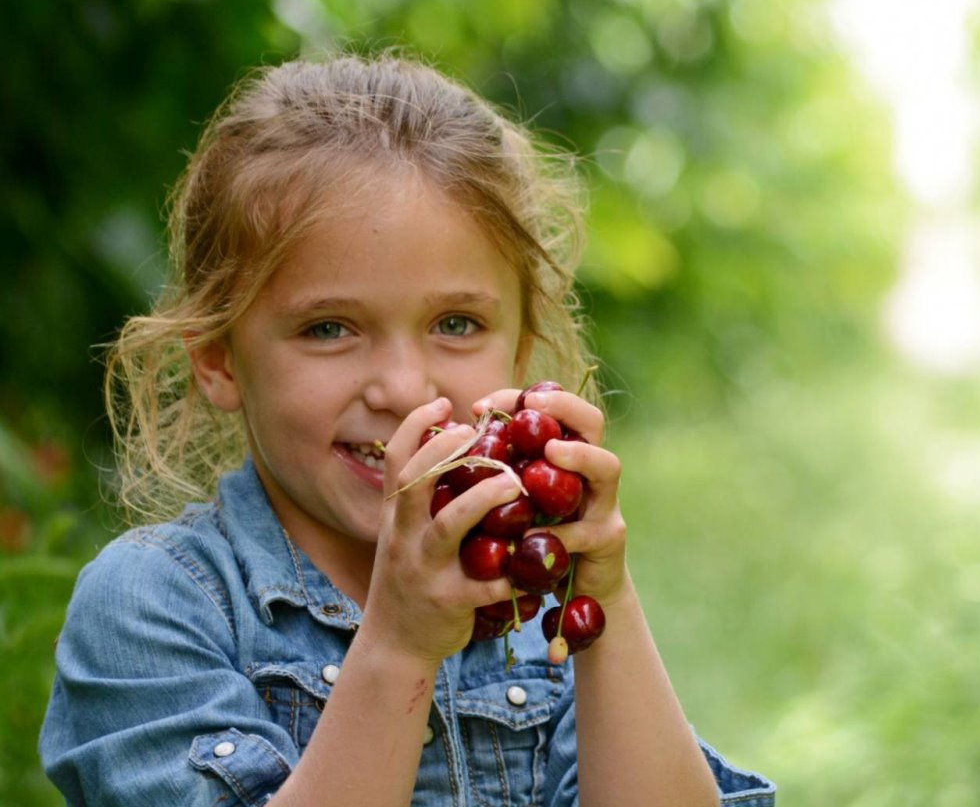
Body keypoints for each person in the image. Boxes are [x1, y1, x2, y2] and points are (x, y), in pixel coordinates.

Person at [39, 54, 775, 807]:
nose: (403, 389)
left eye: (456, 324)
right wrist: (398, 645)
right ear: (221, 359)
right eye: (329, 328)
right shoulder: (155, 604)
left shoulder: (530, 605)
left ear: (520, 349)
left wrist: (605, 602)